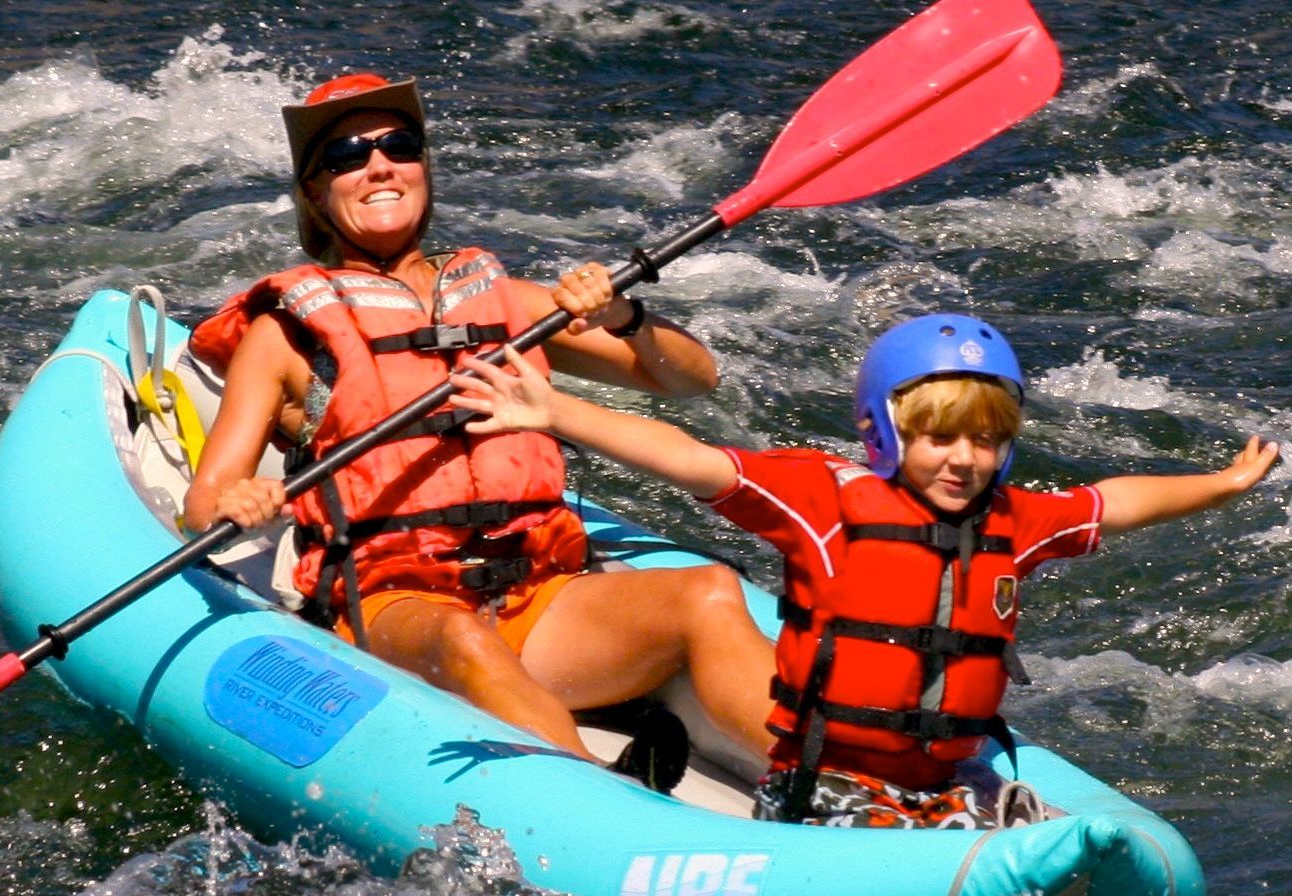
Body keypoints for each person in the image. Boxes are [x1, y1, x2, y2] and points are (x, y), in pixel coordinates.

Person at [447, 312, 1280, 827]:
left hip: (949, 781)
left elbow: (1115, 501)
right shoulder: (823, 500)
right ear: (887, 432)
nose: (963, 458)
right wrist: (556, 411)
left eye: (985, 440)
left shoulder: (1015, 522)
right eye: (939, 437)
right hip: (829, 789)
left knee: (1031, 834)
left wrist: (1222, 483)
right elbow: (690, 459)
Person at [181, 73, 777, 786]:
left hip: (536, 596)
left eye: (398, 147)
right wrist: (239, 501)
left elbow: (689, 377)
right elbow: (203, 503)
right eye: (346, 157)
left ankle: (845, 790)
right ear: (316, 193)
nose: (378, 166)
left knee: (706, 592)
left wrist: (623, 314)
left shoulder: (510, 302)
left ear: (423, 169)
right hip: (395, 610)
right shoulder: (285, 335)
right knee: (461, 635)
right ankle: (607, 799)